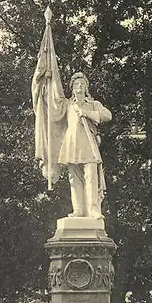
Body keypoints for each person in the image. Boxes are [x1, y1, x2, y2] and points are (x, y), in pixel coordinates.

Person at [51, 72, 112, 218]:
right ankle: (78, 210)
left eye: (82, 84)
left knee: (91, 177)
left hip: (88, 143)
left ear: (86, 88)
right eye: (76, 84)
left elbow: (107, 115)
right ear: (72, 88)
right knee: (74, 178)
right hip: (71, 143)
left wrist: (85, 112)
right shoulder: (67, 104)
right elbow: (53, 109)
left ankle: (93, 209)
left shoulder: (93, 104)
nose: (79, 86)